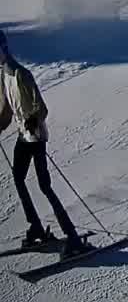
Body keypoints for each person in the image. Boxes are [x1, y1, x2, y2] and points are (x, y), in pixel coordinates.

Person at [0, 31, 84, 256]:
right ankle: (35, 226)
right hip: (22, 136)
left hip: (36, 137)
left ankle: (73, 236)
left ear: (4, 49)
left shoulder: (22, 75)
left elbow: (42, 108)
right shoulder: (3, 75)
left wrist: (32, 120)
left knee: (44, 186)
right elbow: (7, 110)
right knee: (18, 179)